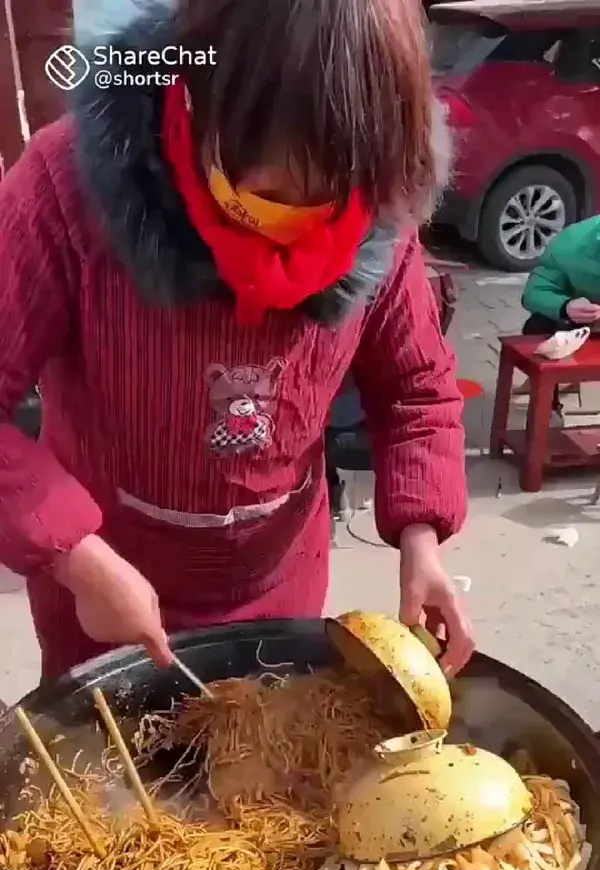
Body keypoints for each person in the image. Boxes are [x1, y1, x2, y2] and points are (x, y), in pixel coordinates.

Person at [0, 0, 473, 684]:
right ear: (196, 99)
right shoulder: (64, 187)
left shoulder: (378, 208)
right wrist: (75, 556)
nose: (291, 233)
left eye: (327, 199)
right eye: (270, 195)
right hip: (108, 591)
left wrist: (422, 543)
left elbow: (416, 390)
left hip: (281, 593)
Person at [521, 216, 600, 335]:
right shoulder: (569, 246)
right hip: (585, 321)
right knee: (539, 324)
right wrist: (565, 307)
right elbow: (534, 292)